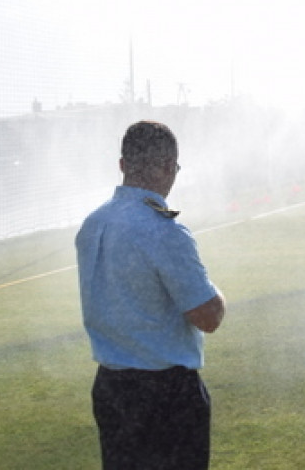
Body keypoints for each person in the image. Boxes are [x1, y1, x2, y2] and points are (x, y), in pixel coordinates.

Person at [76, 120, 226, 470]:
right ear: (166, 166)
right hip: (165, 395)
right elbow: (208, 316)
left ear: (122, 165)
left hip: (111, 387)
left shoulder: (92, 224)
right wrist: (216, 291)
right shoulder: (163, 230)